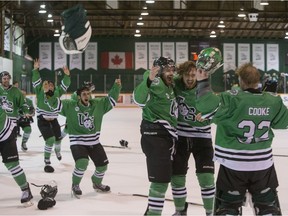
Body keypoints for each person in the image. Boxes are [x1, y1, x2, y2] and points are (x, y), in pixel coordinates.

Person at [195, 48, 287, 215]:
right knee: (268, 208)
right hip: (263, 165)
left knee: (228, 208)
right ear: (258, 80)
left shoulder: (231, 98)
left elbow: (207, 106)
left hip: (233, 165)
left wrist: (202, 82)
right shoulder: (273, 101)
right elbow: (283, 123)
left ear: (241, 80)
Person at [44, 78, 121, 197]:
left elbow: (111, 100)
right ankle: (75, 184)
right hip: (77, 141)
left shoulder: (97, 104)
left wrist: (116, 87)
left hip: (94, 142)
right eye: (84, 94)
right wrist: (48, 93)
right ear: (79, 96)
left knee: (103, 166)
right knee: (82, 163)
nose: (87, 96)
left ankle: (97, 183)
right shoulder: (70, 105)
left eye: (88, 93)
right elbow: (55, 104)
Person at [133, 57, 178, 215]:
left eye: (172, 69)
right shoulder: (156, 81)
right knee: (160, 180)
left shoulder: (170, 85)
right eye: (167, 69)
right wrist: (150, 79)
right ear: (159, 71)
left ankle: (151, 211)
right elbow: (139, 99)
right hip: (155, 134)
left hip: (165, 136)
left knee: (163, 179)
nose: (171, 72)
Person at [171, 60, 215, 216]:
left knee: (207, 179)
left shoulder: (204, 89)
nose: (190, 78)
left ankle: (210, 212)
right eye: (187, 75)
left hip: (202, 138)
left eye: (193, 75)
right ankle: (180, 210)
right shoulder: (175, 84)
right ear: (181, 75)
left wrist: (206, 116)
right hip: (180, 137)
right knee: (176, 177)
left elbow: (215, 113)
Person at [32, 59, 71, 173]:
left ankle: (57, 151)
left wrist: (67, 75)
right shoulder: (39, 90)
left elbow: (65, 84)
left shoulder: (58, 92)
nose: (49, 86)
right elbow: (36, 80)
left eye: (51, 85)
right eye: (47, 85)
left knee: (58, 140)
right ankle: (47, 160)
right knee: (50, 140)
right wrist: (35, 70)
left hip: (54, 120)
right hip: (42, 120)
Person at [0, 75, 33, 205]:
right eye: (4, 78)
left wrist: (25, 111)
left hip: (7, 128)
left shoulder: (15, 91)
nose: (6, 80)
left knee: (12, 164)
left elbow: (23, 104)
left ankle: (25, 189)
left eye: (8, 78)